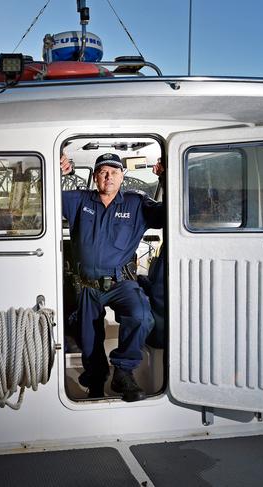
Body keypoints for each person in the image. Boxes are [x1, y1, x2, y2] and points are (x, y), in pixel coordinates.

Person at [61, 152, 164, 402]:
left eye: (115, 172)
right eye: (103, 172)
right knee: (89, 339)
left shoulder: (137, 203)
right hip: (86, 285)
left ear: (122, 176)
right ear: (95, 177)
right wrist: (57, 173)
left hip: (121, 282)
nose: (109, 176)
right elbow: (45, 199)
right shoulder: (78, 200)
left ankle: (124, 372)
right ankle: (96, 382)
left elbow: (166, 215)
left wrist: (168, 177)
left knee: (141, 315)